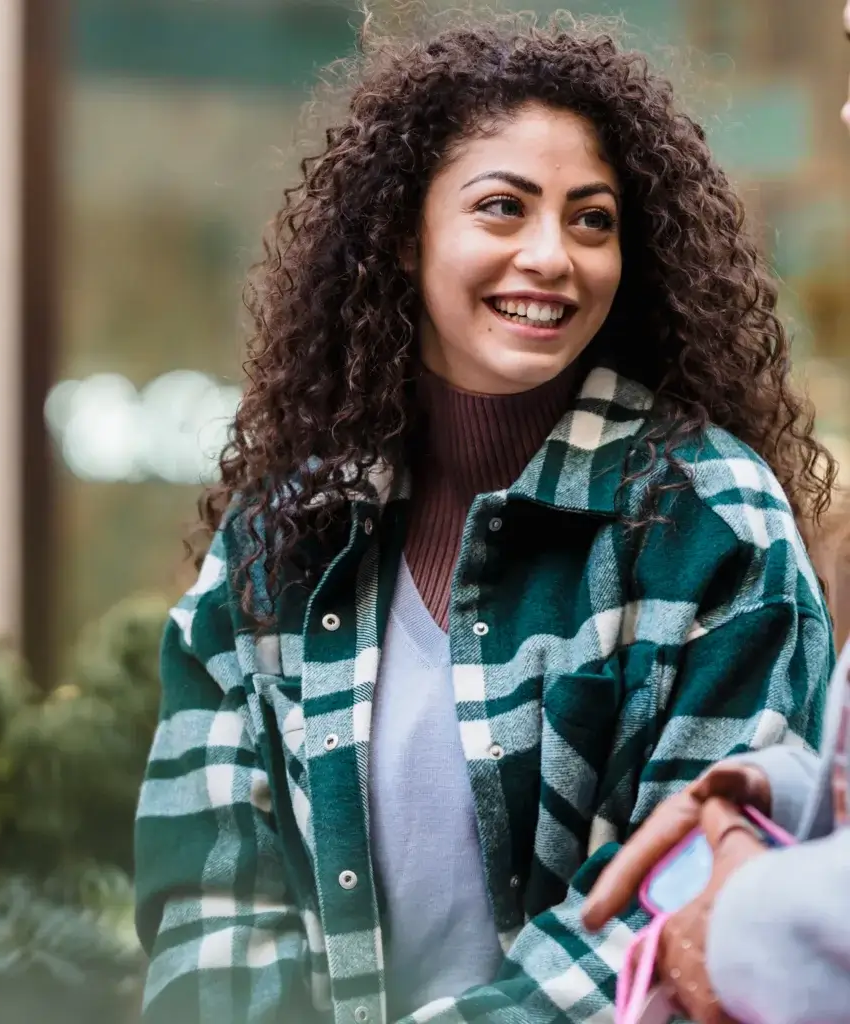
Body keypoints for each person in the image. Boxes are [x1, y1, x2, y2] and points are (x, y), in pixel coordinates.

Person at [134, 15, 838, 1024]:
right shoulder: (275, 542)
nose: (551, 255)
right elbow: (207, 899)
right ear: (401, 235)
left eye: (591, 219)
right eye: (502, 208)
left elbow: (683, 910)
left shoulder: (711, 522)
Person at [582, 6, 850, 1023]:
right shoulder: (293, 523)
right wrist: (769, 789)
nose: (841, 103)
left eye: (594, 218)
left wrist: (731, 905)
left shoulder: (711, 511)